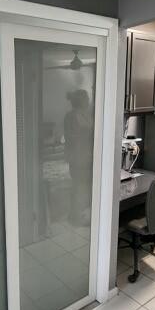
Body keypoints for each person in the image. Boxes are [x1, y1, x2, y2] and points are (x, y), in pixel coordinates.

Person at [64, 89, 94, 226]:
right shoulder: (70, 116)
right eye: (86, 98)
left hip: (87, 157)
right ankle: (75, 218)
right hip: (77, 158)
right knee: (78, 187)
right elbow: (70, 137)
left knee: (85, 187)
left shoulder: (87, 115)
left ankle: (82, 216)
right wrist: (83, 135)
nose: (88, 100)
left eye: (88, 97)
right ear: (79, 100)